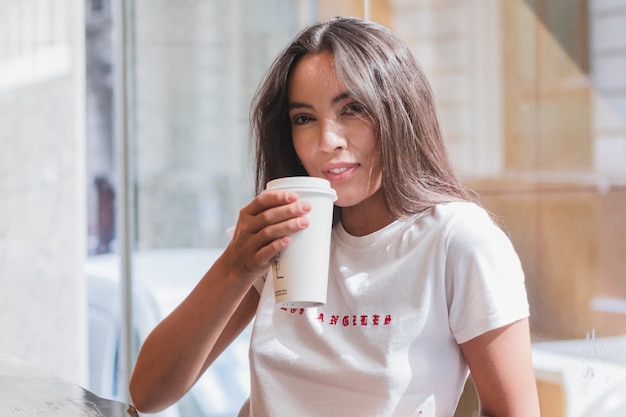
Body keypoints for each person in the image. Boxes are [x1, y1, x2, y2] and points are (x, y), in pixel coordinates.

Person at [129, 17, 540, 417]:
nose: (327, 141)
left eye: (353, 109)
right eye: (304, 119)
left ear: (399, 113)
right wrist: (236, 264)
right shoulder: (283, 234)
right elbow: (148, 394)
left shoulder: (457, 239)